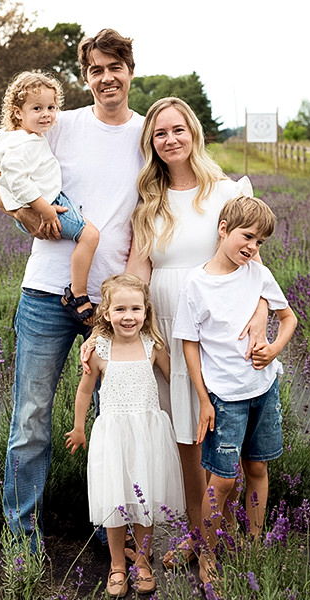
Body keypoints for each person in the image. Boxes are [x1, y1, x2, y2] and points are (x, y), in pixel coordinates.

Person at [0, 29, 144, 552]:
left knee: (111, 420)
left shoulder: (147, 137)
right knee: (30, 419)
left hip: (111, 305)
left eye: (114, 67)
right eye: (95, 70)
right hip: (45, 295)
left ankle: (109, 533)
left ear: (130, 71)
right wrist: (26, 217)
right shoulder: (61, 124)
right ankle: (21, 535)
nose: (106, 78)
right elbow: (1, 171)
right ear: (86, 77)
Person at [125, 97, 268, 567]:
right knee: (186, 437)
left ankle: (223, 529)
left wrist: (261, 319)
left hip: (221, 330)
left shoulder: (227, 192)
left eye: (177, 130)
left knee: (223, 432)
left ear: (194, 133)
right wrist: (119, 330)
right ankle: (195, 533)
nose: (170, 140)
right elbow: (138, 271)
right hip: (169, 327)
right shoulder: (150, 201)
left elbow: (257, 268)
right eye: (160, 134)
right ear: (152, 143)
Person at [172, 194, 298, 583]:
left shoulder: (258, 274)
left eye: (260, 242)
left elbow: (288, 317)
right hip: (225, 398)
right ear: (223, 230)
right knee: (223, 481)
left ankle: (255, 541)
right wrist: (204, 400)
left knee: (257, 467)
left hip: (263, 389)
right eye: (247, 237)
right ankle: (207, 554)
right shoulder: (197, 283)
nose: (252, 247)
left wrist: (274, 348)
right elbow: (188, 345)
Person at [66, 273, 185, 597]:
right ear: (106, 313)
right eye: (120, 309)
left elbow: (177, 379)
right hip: (114, 435)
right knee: (116, 503)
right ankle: (118, 564)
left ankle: (143, 562)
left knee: (145, 503)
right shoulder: (99, 349)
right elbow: (84, 392)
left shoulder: (152, 346)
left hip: (148, 434)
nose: (128, 316)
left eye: (135, 308)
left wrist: (190, 414)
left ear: (146, 311)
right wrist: (79, 428)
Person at [0, 71, 99, 324]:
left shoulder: (11, 138)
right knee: (90, 236)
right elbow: (16, 179)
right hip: (47, 204)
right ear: (17, 113)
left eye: (51, 107)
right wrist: (44, 209)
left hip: (39, 202)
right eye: (37, 108)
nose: (46, 114)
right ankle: (77, 294)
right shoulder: (25, 144)